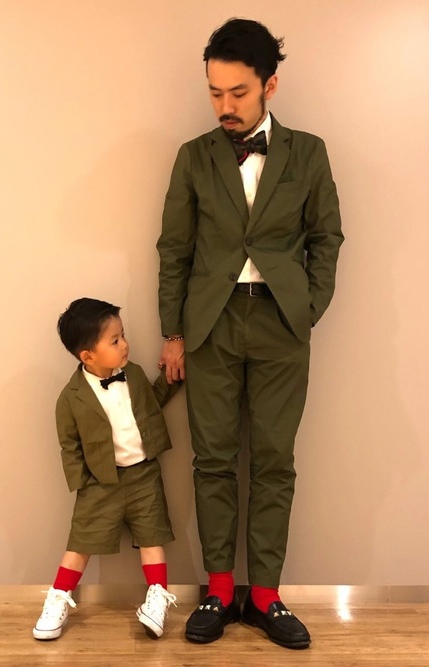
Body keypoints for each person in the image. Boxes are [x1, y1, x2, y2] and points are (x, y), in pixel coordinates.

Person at [157, 18, 344, 650]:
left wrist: (309, 307)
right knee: (211, 460)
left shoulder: (308, 152)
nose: (225, 105)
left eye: (238, 92)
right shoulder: (193, 157)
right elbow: (174, 250)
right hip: (208, 325)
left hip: (282, 323)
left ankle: (265, 596)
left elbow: (327, 236)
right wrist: (173, 333)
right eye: (215, 92)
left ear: (270, 85)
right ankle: (217, 590)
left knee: (273, 461)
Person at [33, 297, 180, 641]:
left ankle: (157, 597)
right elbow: (69, 445)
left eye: (123, 335)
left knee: (153, 537)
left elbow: (152, 402)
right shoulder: (70, 397)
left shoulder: (136, 374)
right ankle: (58, 598)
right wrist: (83, 482)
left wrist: (171, 378)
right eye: (115, 341)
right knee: (80, 541)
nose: (125, 344)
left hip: (144, 475)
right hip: (101, 482)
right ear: (88, 356)